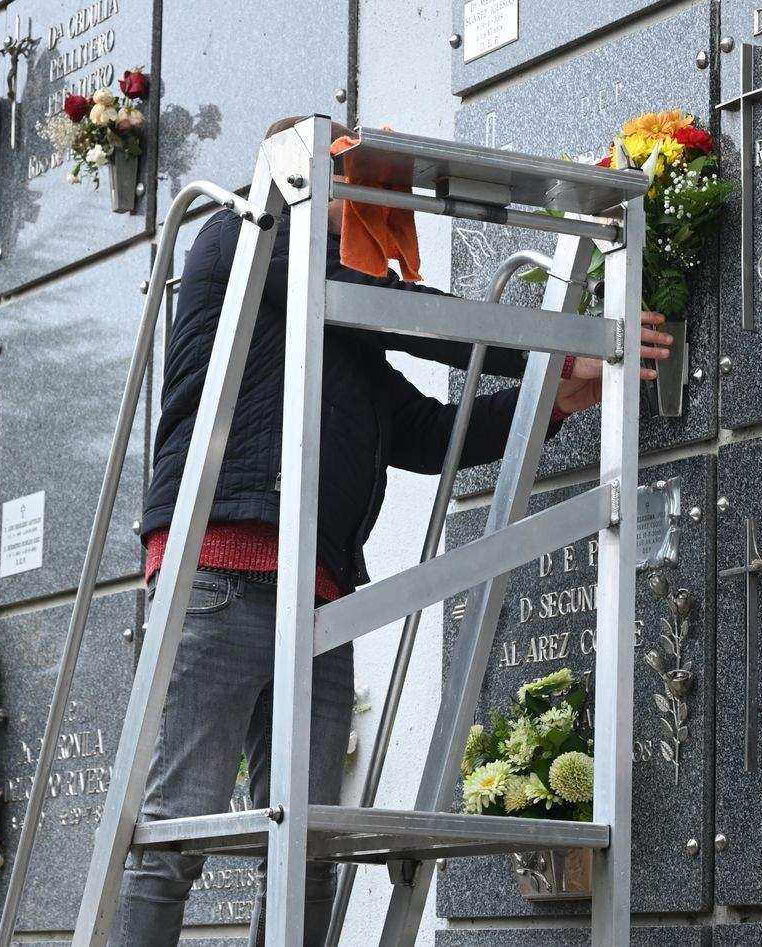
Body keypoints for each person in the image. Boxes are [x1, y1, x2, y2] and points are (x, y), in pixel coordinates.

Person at [118, 117, 672, 946]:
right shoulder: (243, 235)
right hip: (220, 573)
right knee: (173, 830)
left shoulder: (340, 327)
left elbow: (428, 434)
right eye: (361, 190)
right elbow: (408, 317)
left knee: (304, 845)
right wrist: (560, 347)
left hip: (317, 599)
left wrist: (559, 396)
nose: (380, 216)